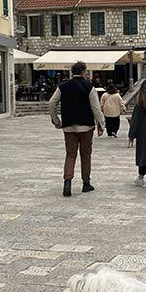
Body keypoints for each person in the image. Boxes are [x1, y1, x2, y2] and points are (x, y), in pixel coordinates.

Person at [49, 61, 105, 196]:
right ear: (83, 72)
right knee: (86, 154)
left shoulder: (63, 86)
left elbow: (51, 103)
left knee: (70, 154)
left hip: (68, 127)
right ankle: (86, 183)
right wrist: (101, 124)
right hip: (86, 126)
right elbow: (96, 109)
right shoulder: (88, 87)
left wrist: (56, 120)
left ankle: (67, 181)